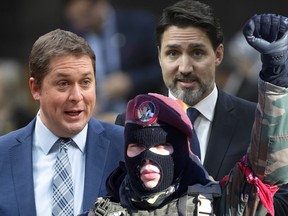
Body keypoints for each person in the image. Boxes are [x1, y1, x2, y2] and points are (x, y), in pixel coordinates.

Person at [83, 11, 288, 213]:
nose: (185, 67)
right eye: (173, 53)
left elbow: (269, 194)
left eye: (197, 52)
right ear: (159, 56)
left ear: (218, 54)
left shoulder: (259, 122)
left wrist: (275, 73)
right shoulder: (122, 127)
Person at [0, 29, 124, 215]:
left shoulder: (126, 148)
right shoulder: (3, 155)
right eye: (63, 83)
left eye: (85, 82)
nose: (77, 96)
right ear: (35, 88)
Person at [64, 0, 164, 122]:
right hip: (95, 117)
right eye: (75, 19)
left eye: (85, 15)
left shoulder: (139, 24)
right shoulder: (74, 35)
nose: (80, 24)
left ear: (100, 4)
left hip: (140, 113)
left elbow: (162, 68)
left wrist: (130, 80)